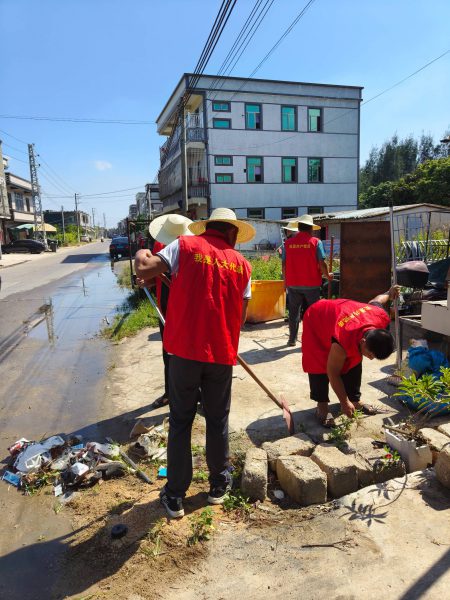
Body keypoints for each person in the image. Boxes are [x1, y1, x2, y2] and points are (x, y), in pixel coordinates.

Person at [134, 207, 255, 519]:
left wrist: (141, 250)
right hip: (220, 356)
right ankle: (219, 484)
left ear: (209, 227)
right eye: (237, 237)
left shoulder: (185, 246)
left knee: (181, 421)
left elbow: (146, 268)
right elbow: (240, 317)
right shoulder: (243, 265)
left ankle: (175, 495)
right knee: (217, 421)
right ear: (231, 232)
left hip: (185, 354)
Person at [301, 287, 399, 427]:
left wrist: (389, 294)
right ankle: (321, 406)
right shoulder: (343, 339)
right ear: (363, 341)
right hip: (317, 318)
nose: (371, 359)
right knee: (319, 362)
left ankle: (355, 400)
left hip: (342, 313)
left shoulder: (379, 316)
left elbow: (377, 300)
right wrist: (343, 402)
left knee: (354, 360)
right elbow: (333, 373)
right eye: (371, 354)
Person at [146, 214, 194, 410]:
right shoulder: (158, 246)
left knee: (189, 353)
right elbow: (150, 274)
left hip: (186, 307)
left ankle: (195, 395)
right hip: (164, 306)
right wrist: (147, 280)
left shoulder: (190, 247)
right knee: (168, 351)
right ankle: (169, 393)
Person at [282, 214, 332, 347]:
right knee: (314, 313)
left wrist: (285, 282)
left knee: (293, 313)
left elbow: (284, 264)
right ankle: (313, 340)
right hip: (311, 285)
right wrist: (327, 275)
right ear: (311, 229)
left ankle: (292, 339)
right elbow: (322, 262)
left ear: (298, 227)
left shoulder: (288, 243)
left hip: (293, 284)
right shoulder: (316, 242)